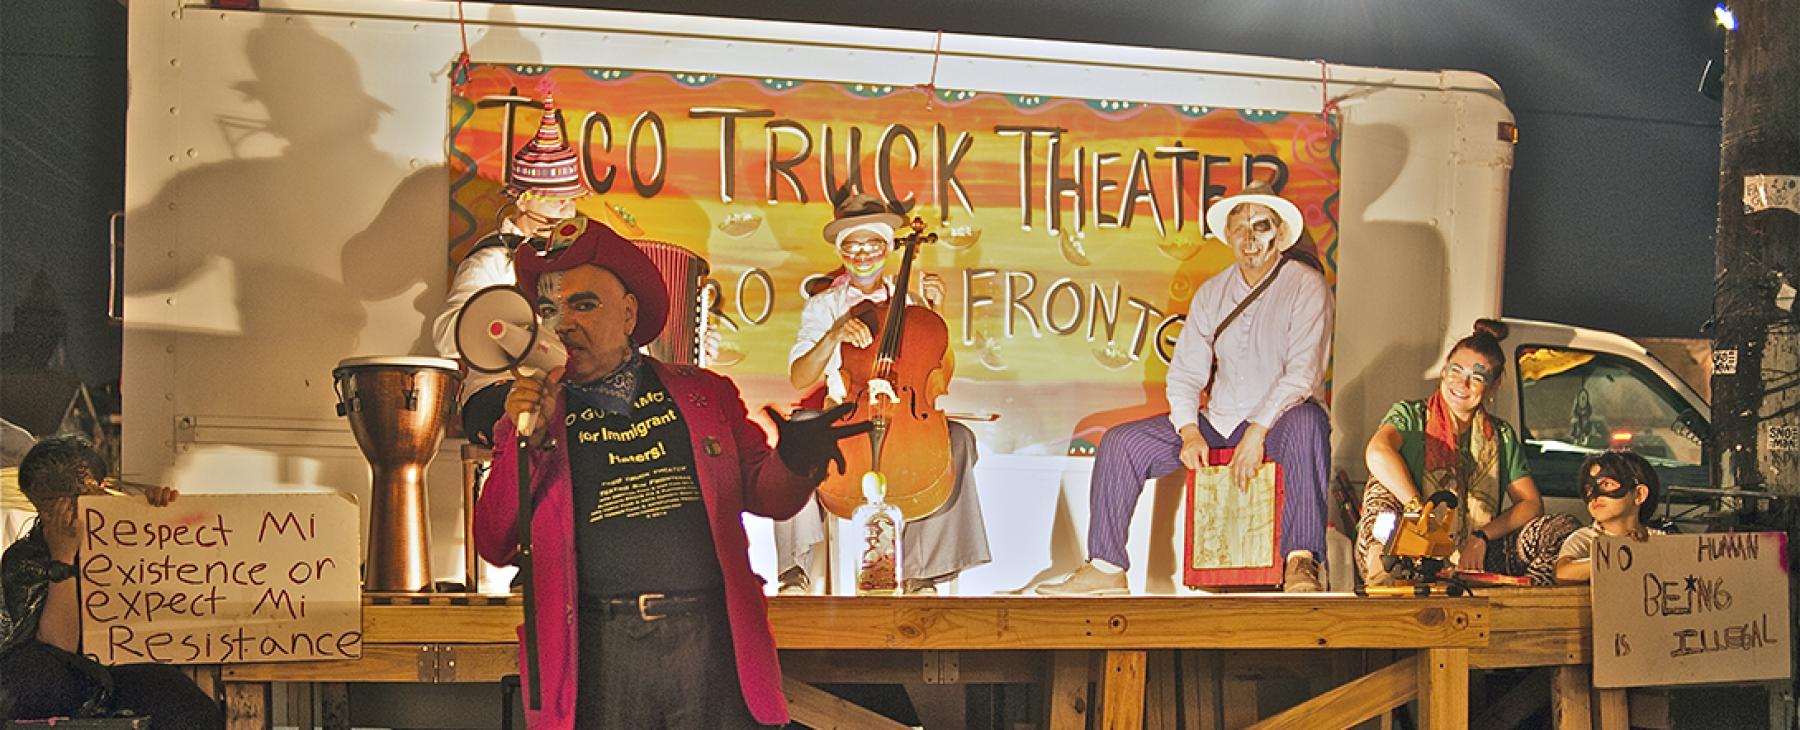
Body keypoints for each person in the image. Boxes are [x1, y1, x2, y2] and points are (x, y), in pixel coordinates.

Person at [473, 216, 869, 729]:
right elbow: (495, 542)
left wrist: (796, 459)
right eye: (548, 309)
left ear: (629, 312)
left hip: (711, 645)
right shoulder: (537, 411)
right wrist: (528, 437)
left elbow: (767, 494)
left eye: (584, 303)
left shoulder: (704, 393)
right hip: (598, 653)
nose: (563, 323)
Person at [1038, 182, 1334, 595]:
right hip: (1221, 421)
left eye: (1261, 227)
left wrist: (1258, 430)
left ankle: (1302, 560)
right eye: (1240, 229)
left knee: (1309, 422)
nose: (1250, 239)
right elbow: (1184, 373)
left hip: (1280, 424)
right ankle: (1106, 567)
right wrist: (1189, 431)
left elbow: (1303, 374)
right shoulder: (1213, 291)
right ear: (1228, 236)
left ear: (1279, 232)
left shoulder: (1306, 285)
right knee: (1122, 443)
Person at [774, 193, 992, 596]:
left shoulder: (911, 301)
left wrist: (934, 311)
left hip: (903, 420)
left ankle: (922, 573)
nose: (862, 254)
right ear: (842, 251)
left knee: (958, 439)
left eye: (872, 244)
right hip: (846, 421)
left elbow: (938, 373)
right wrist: (833, 334)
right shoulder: (824, 306)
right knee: (798, 431)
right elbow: (800, 378)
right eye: (851, 246)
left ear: (888, 247)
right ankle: (794, 572)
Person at [0, 436, 222, 727]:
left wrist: (155, 510)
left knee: (188, 708)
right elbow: (59, 648)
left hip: (124, 672)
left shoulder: (124, 529)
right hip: (66, 681)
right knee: (34, 676)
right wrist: (63, 557)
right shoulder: (25, 559)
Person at [1355, 319, 1580, 586]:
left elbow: (1530, 503)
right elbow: (1378, 452)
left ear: (1493, 386)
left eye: (1477, 377)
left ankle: (1520, 608)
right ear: (1444, 369)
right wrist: (1418, 508)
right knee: (1382, 492)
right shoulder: (1410, 416)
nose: (1463, 384)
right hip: (1407, 548)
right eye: (1456, 370)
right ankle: (1384, 582)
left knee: (1559, 529)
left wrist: (1481, 537)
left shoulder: (1501, 435)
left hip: (1470, 559)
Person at [432, 93, 588, 447]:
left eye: (569, 200)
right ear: (522, 198)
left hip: (567, 390)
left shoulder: (583, 261)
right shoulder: (491, 261)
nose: (565, 211)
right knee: (530, 413)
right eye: (555, 199)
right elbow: (444, 336)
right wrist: (509, 326)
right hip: (498, 391)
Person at [1554, 450, 1663, 584]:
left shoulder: (1659, 539)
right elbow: (1563, 573)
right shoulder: (1585, 539)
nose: (1595, 495)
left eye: (1607, 484)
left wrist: (1643, 551)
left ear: (1639, 494)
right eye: (1588, 488)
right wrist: (1619, 555)